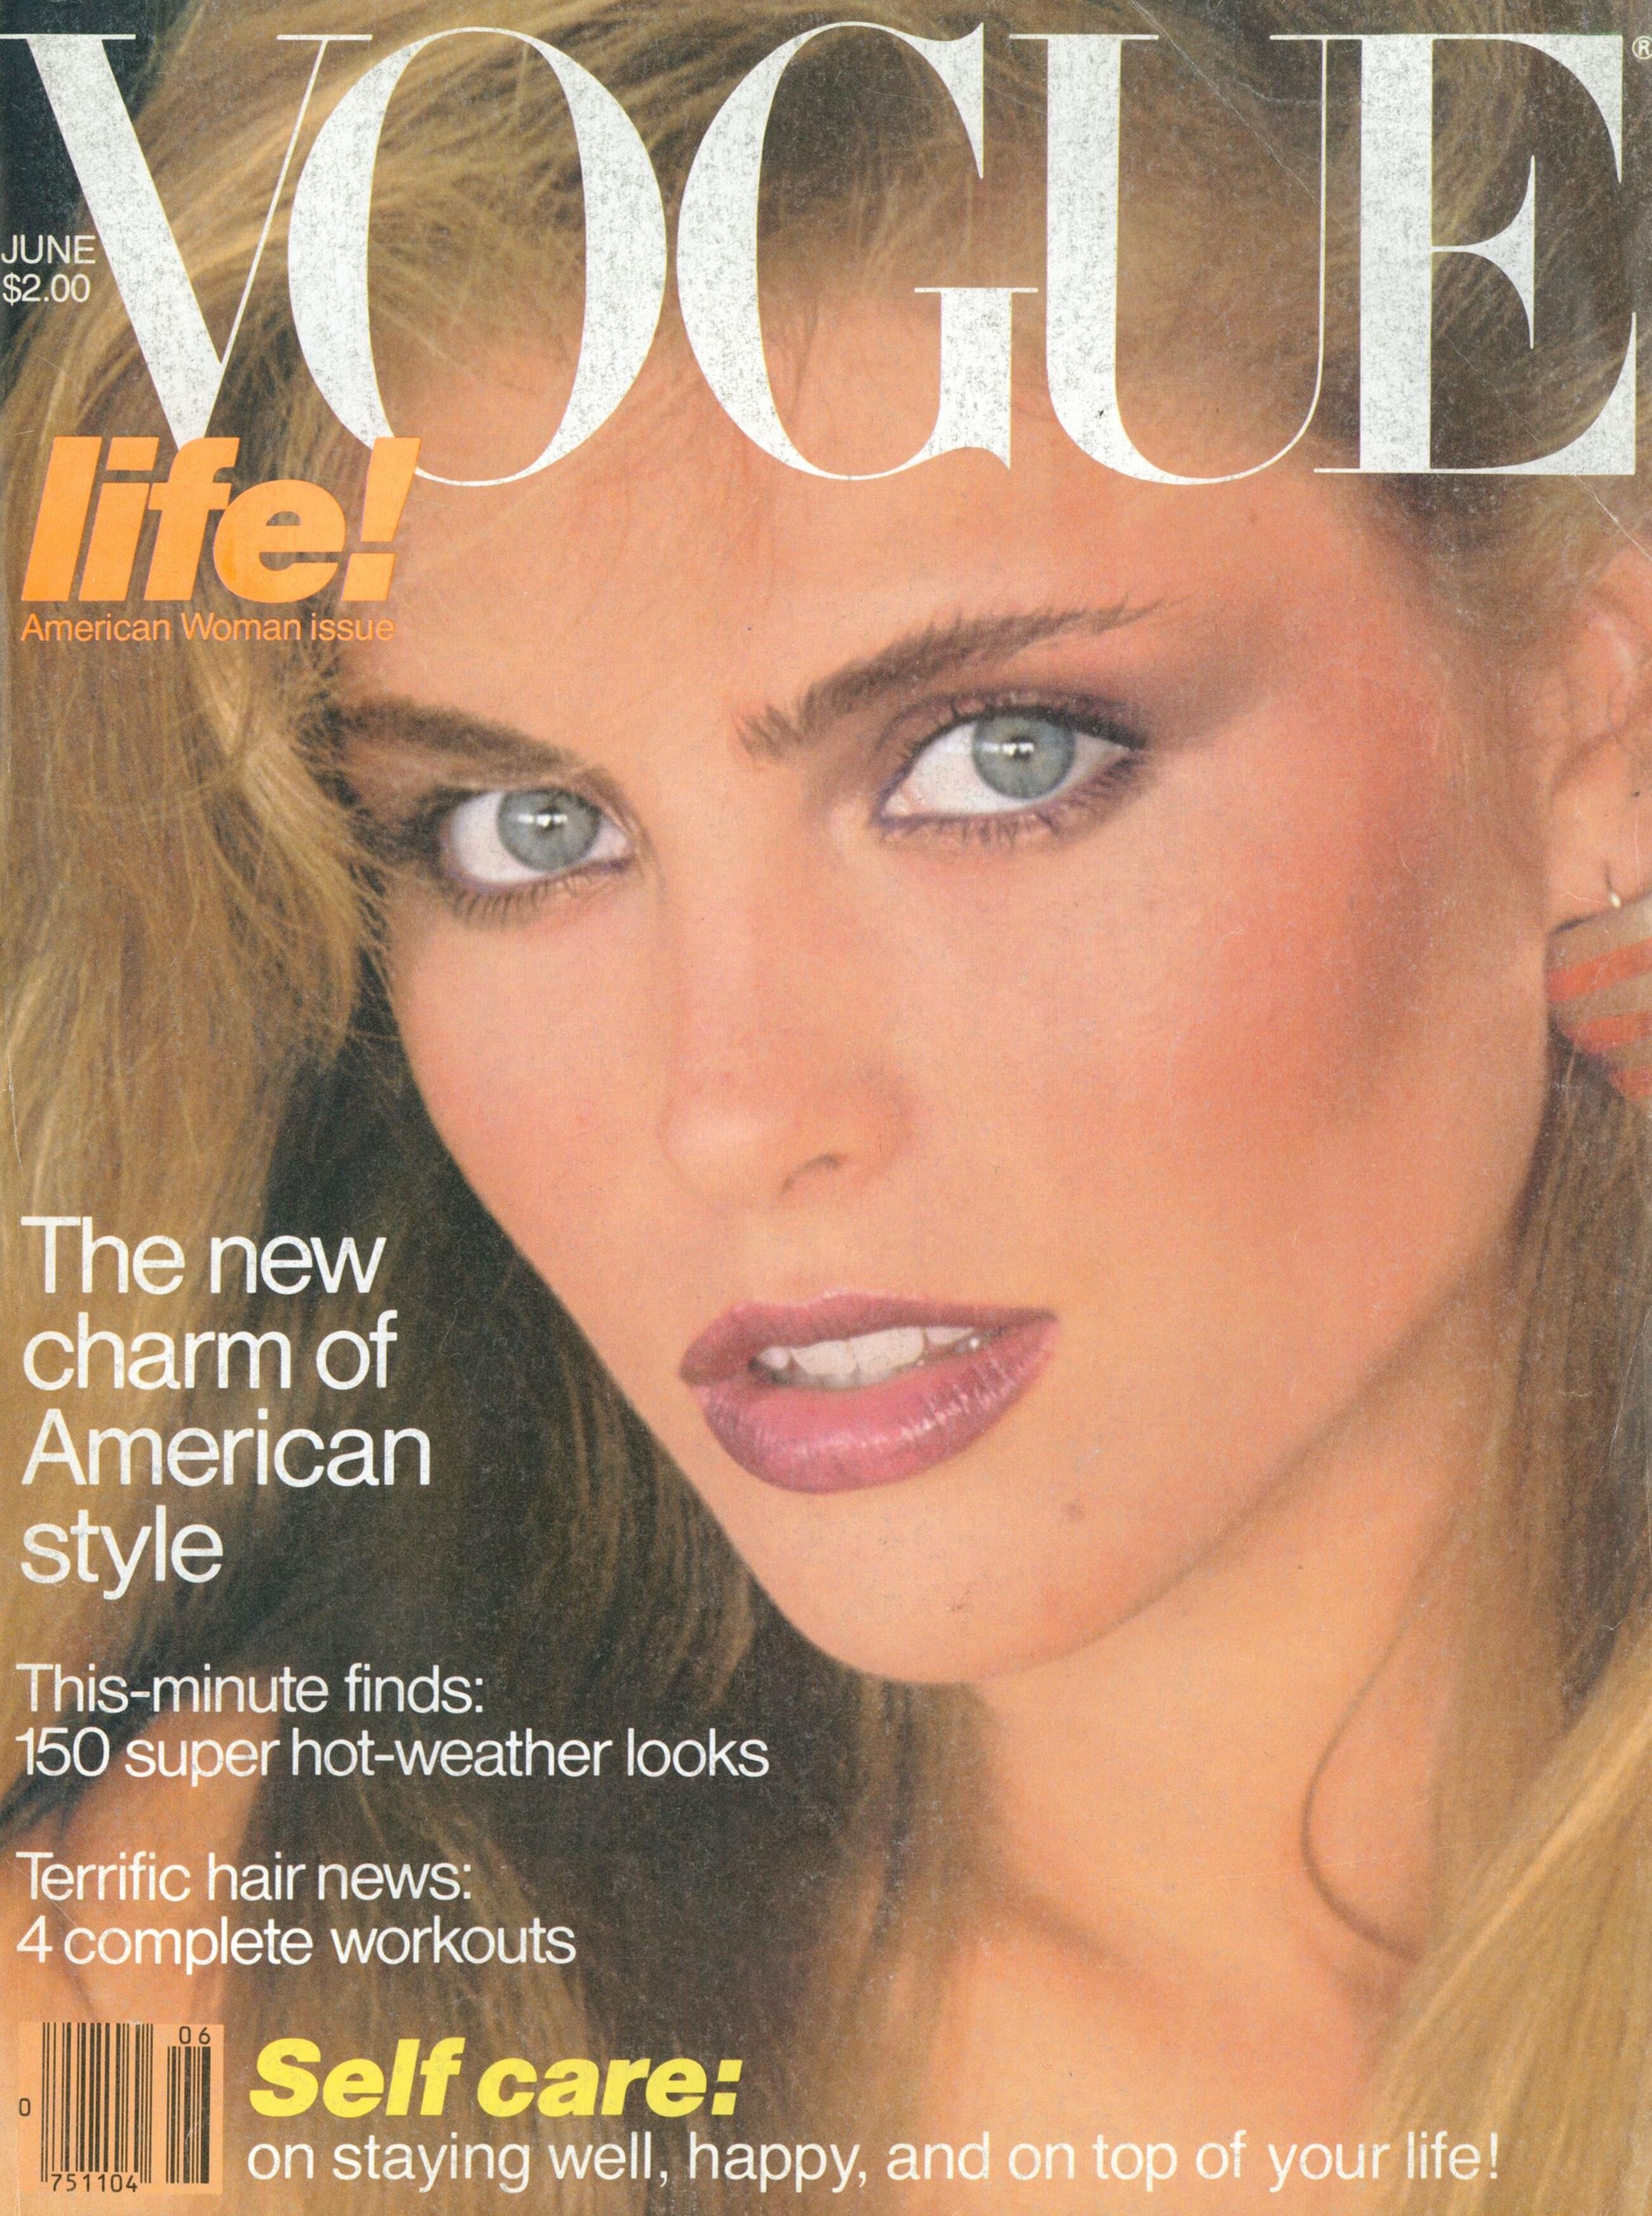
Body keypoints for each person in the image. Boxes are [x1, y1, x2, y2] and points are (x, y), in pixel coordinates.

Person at [3, 1, 1649, 2208]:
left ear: (1593, 723)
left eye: (1000, 757)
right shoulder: (182, 2036)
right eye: (523, 830)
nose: (731, 1113)